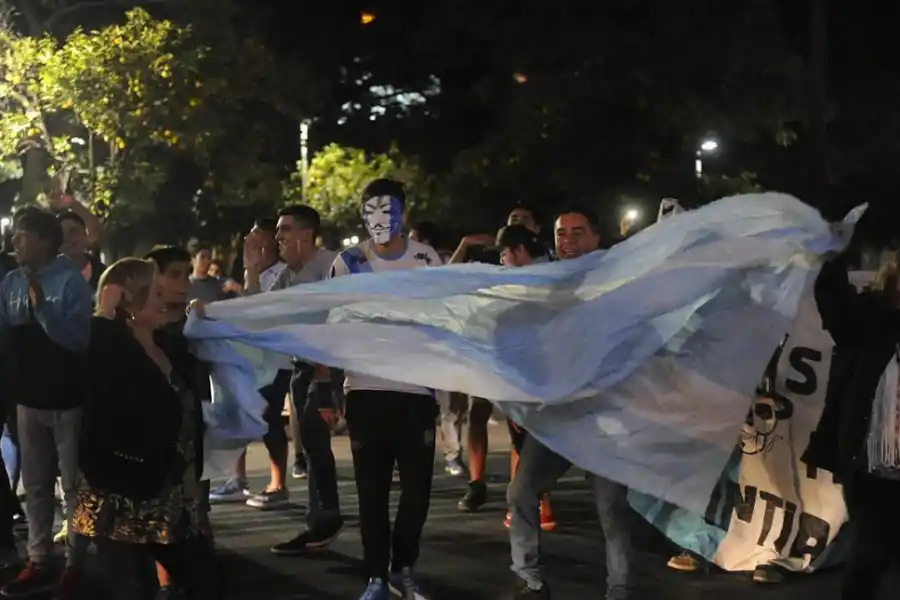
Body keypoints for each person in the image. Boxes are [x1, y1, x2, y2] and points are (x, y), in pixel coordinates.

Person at [504, 207, 633, 600]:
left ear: (596, 237)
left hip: (603, 417)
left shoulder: (617, 282)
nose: (569, 240)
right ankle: (529, 581)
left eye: (578, 232)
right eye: (562, 233)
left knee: (612, 508)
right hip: (558, 416)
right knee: (520, 493)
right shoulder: (546, 284)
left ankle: (619, 590)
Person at [72, 258, 218, 600]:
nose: (164, 300)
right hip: (123, 492)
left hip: (172, 496)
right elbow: (92, 369)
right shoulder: (111, 347)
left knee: (207, 583)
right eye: (156, 293)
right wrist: (103, 315)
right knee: (132, 590)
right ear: (131, 303)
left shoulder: (166, 344)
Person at [330, 178, 441, 600]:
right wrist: (328, 388)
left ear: (403, 213)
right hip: (366, 392)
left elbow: (444, 314)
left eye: (388, 209)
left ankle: (402, 567)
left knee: (417, 493)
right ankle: (375, 577)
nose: (379, 219)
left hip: (416, 394)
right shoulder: (349, 261)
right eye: (371, 210)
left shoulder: (425, 258)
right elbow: (331, 322)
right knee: (371, 495)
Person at [803, 221, 900, 600]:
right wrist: (833, 253)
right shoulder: (870, 322)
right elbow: (834, 300)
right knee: (870, 556)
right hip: (872, 468)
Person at [0, 208, 93, 599]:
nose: (15, 242)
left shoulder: (70, 281)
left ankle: (75, 563)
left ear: (43, 239)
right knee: (35, 485)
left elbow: (79, 340)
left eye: (22, 234)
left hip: (68, 398)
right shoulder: (11, 281)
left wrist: (44, 310)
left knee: (73, 486)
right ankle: (39, 558)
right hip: (27, 398)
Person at [264, 205, 343, 550]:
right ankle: (320, 520)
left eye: (285, 229)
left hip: (327, 369)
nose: (278, 236)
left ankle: (327, 518)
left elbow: (343, 316)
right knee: (312, 448)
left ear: (307, 234)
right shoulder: (288, 273)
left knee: (315, 441)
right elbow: (260, 311)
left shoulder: (331, 266)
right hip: (303, 368)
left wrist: (327, 373)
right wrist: (252, 270)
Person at [209, 218, 292, 503]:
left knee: (269, 419)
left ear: (271, 239)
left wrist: (251, 274)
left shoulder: (283, 273)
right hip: (250, 359)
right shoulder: (251, 271)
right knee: (238, 413)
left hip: (275, 360)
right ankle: (237, 479)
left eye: (257, 234)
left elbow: (259, 312)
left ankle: (278, 484)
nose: (249, 238)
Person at [494, 225, 557, 532]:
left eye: (504, 254)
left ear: (519, 251)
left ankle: (534, 508)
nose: (502, 261)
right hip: (543, 383)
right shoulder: (550, 278)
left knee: (531, 450)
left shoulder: (527, 287)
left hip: (531, 386)